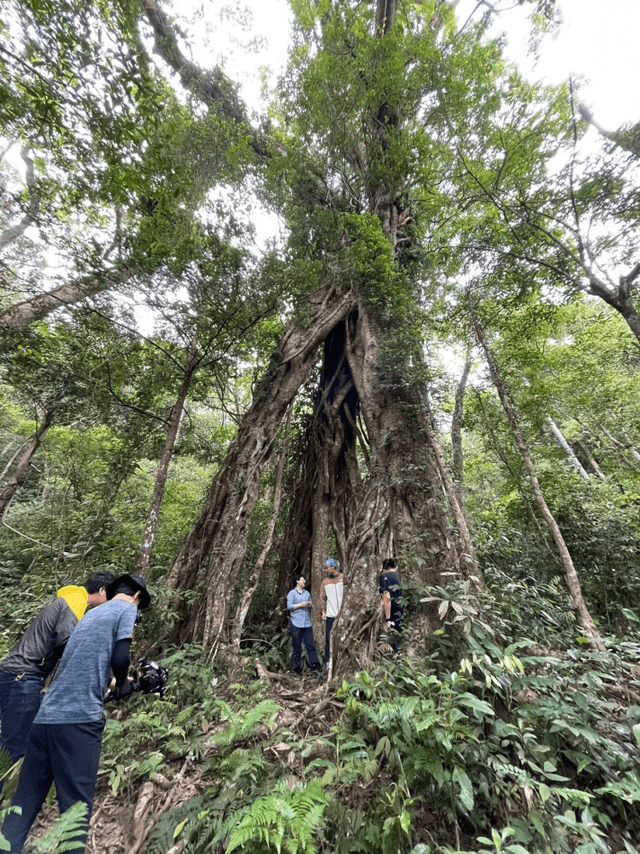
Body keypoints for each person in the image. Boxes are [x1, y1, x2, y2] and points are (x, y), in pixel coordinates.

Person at [1, 572, 151, 854]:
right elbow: (121, 657)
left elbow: (79, 665)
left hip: (45, 718)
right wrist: (121, 685)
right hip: (79, 722)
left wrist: (118, 683)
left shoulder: (87, 615)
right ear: (136, 597)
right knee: (75, 813)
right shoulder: (126, 608)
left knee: (23, 803)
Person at [0, 571, 115, 764]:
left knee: (18, 741)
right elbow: (68, 643)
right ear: (102, 590)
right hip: (22, 677)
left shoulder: (71, 599)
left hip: (17, 676)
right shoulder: (76, 601)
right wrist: (104, 677)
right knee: (14, 747)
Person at [286, 574, 321, 676]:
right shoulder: (292, 593)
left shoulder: (307, 593)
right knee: (296, 647)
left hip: (307, 623)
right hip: (295, 623)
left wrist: (310, 605)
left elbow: (311, 607)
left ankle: (316, 668)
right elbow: (289, 606)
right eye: (303, 580)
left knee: (310, 646)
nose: (304, 581)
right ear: (297, 581)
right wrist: (300, 605)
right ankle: (297, 670)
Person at [320, 558, 343, 671]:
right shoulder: (325, 582)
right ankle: (328, 663)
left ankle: (341, 662)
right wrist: (323, 611)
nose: (325, 570)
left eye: (327, 567)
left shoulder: (343, 578)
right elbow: (322, 598)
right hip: (330, 615)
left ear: (333, 567)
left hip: (343, 615)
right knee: (328, 639)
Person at [379, 558, 403, 650]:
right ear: (395, 567)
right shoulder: (400, 577)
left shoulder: (383, 578)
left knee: (391, 642)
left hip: (392, 614)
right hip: (403, 613)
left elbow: (386, 597)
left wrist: (388, 618)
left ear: (383, 568)